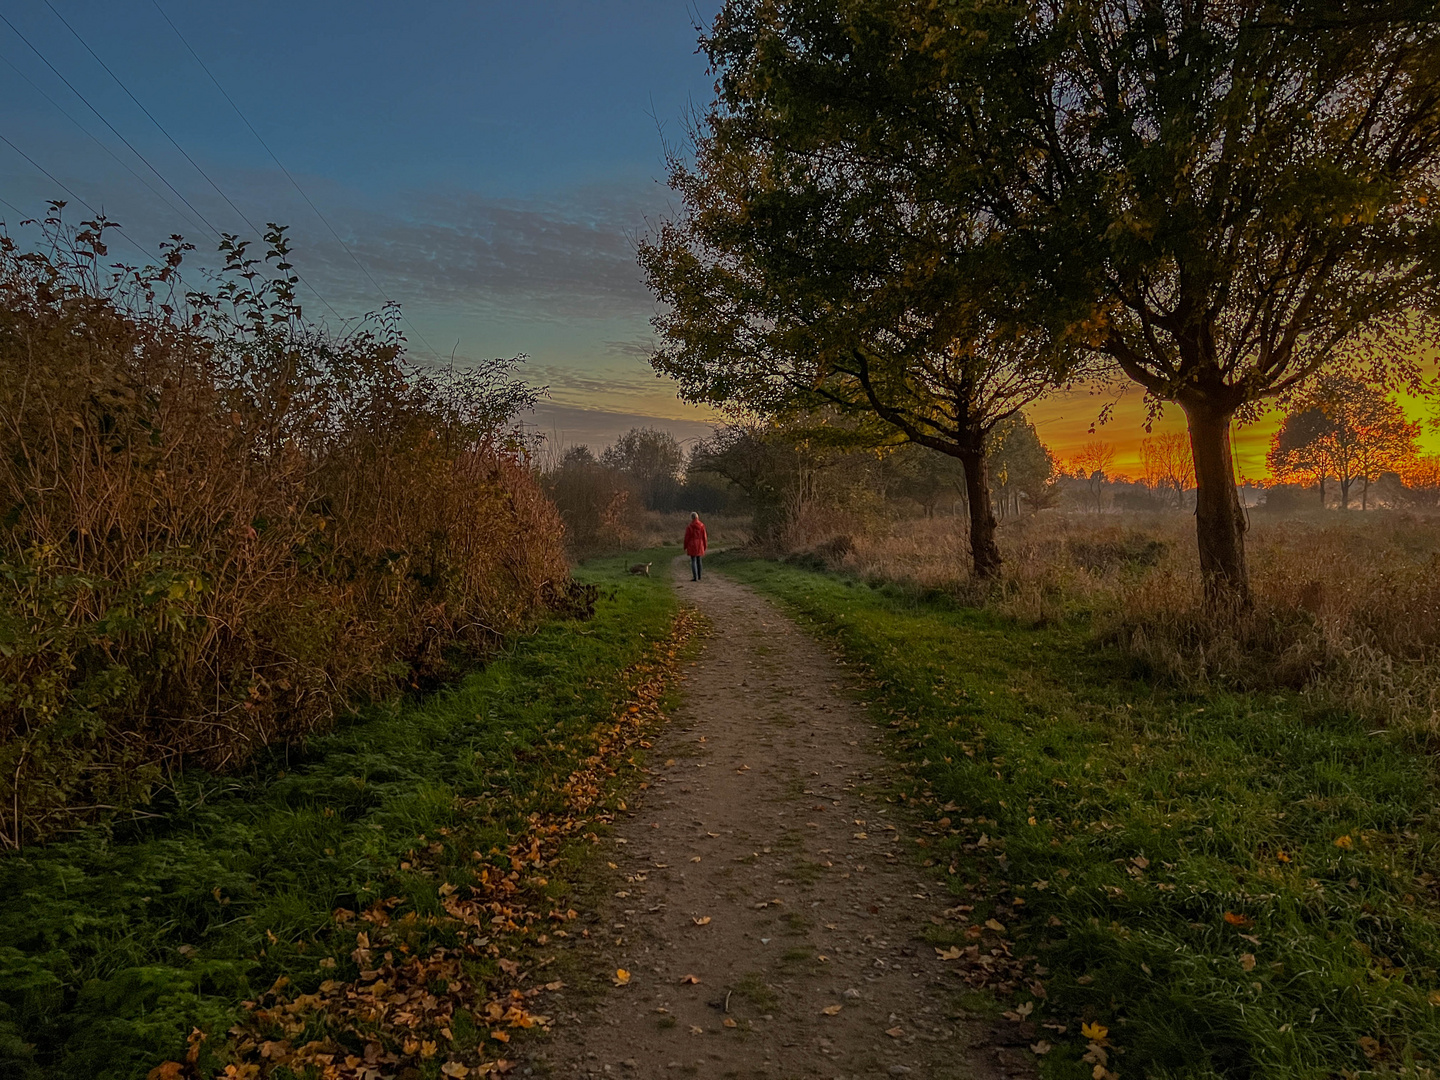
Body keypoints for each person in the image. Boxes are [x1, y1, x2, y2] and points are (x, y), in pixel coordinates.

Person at [683, 511, 708, 581]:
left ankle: (695, 577)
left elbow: (687, 537)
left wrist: (685, 546)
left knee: (693, 560)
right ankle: (700, 576)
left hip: (692, 544)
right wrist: (705, 546)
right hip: (700, 544)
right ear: (697, 517)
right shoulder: (702, 526)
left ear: (692, 518)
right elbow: (704, 537)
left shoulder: (689, 527)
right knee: (699, 560)